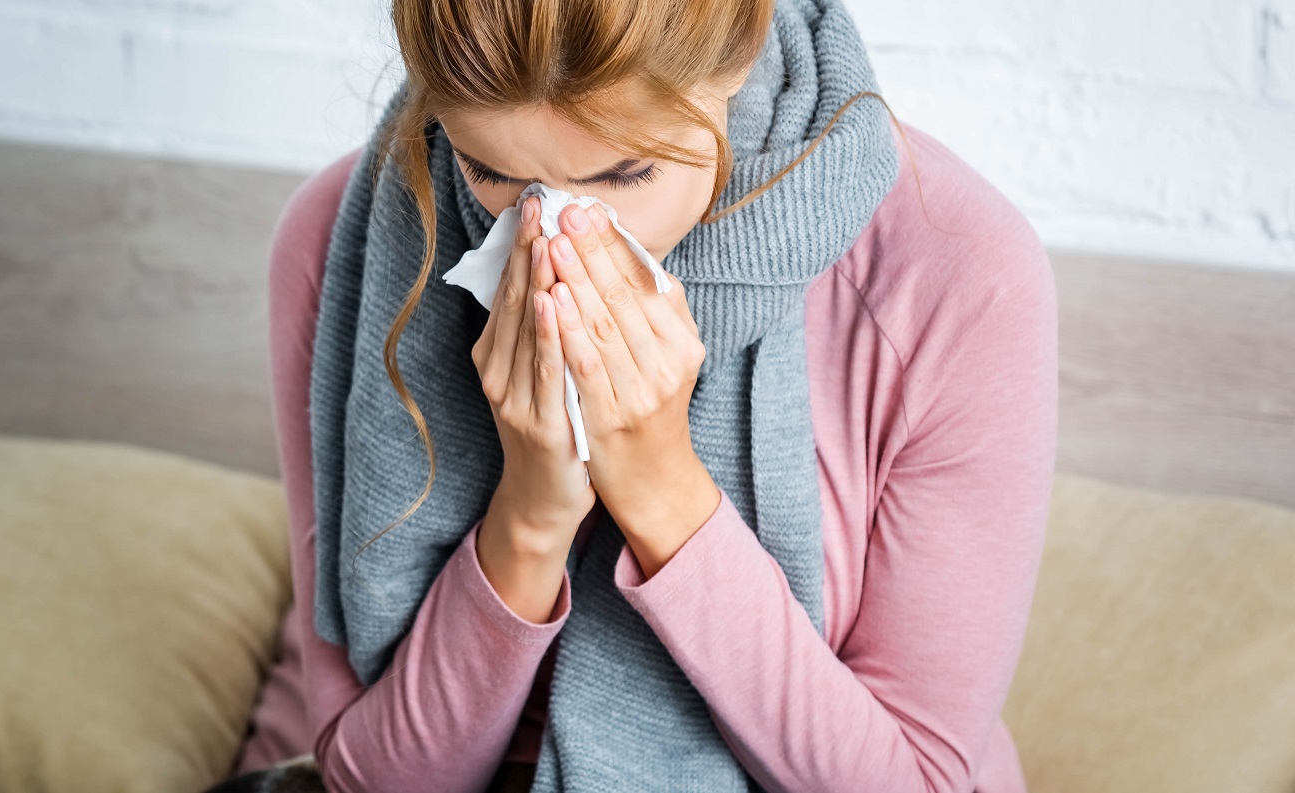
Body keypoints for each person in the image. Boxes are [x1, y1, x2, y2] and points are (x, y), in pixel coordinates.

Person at [214, 0, 1058, 790]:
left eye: (625, 174)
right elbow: (370, 776)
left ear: (735, 57)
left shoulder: (955, 275)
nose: (551, 228)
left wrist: (660, 489)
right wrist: (532, 514)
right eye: (490, 170)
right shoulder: (343, 245)